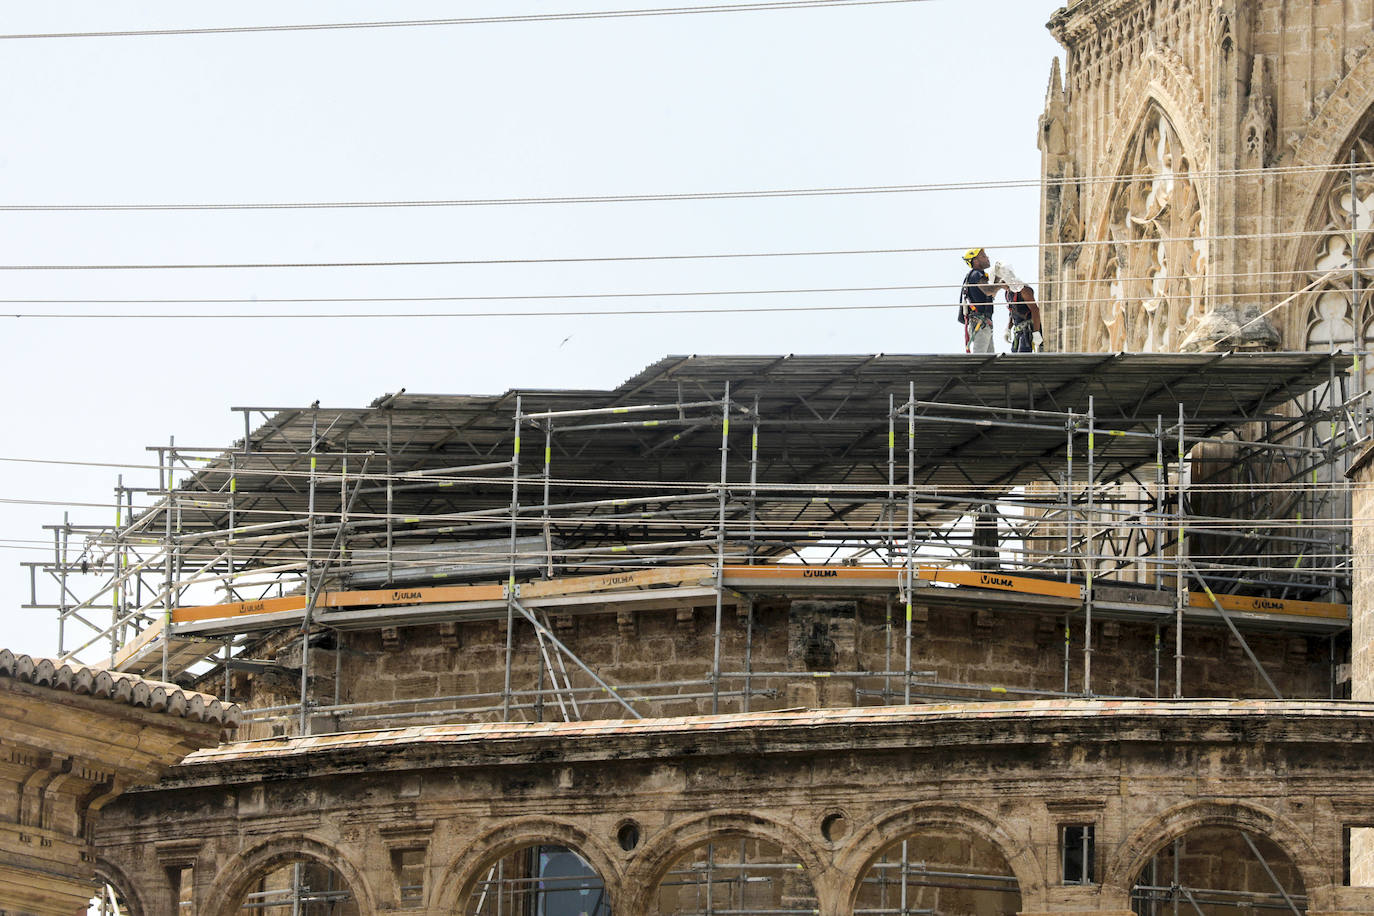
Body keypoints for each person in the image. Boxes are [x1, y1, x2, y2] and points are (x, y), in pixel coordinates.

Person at [959, 248, 1004, 353]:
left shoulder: (979, 277)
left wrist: (997, 278)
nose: (987, 258)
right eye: (983, 256)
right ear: (975, 261)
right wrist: (1001, 284)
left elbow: (990, 294)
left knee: (988, 359)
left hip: (984, 324)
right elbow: (988, 291)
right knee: (979, 358)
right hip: (980, 323)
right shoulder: (975, 274)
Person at [1005, 282, 1044, 353]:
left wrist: (1036, 332)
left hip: (1028, 330)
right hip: (1018, 331)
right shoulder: (1007, 294)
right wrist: (1008, 329)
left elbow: (1035, 310)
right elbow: (1011, 312)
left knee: (1022, 357)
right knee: (1013, 358)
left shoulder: (1024, 290)